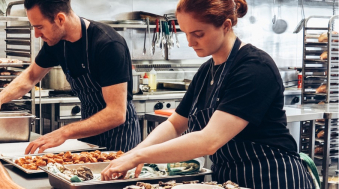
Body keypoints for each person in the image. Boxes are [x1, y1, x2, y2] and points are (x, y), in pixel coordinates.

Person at [101, 0, 315, 188]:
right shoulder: (206, 71)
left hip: (271, 178)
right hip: (230, 179)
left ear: (226, 25)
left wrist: (141, 156)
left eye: (198, 34)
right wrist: (133, 154)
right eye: (185, 33)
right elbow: (175, 124)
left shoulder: (254, 68)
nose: (190, 42)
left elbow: (209, 140)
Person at [0, 0, 141, 154]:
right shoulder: (56, 42)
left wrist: (64, 132)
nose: (36, 34)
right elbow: (31, 76)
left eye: (39, 26)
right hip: (88, 132)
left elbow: (116, 113)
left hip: (119, 138)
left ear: (60, 19)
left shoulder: (107, 44)